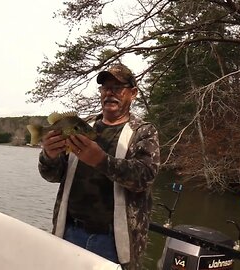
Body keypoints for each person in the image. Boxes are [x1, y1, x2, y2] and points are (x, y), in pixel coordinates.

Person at [37, 63, 160, 270]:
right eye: (105, 88)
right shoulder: (82, 125)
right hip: (69, 231)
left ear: (133, 93)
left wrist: (102, 161)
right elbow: (53, 175)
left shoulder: (143, 132)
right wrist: (49, 155)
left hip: (112, 241)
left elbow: (145, 177)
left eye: (118, 87)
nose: (110, 93)